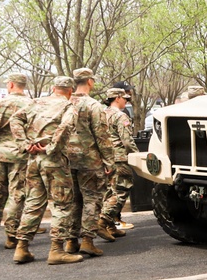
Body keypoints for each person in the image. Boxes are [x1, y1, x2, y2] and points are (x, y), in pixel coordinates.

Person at [10, 76, 80, 265]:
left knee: (33, 201)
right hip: (54, 160)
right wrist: (50, 147)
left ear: (52, 88)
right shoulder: (68, 106)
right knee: (61, 203)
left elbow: (15, 119)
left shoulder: (35, 103)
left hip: (33, 159)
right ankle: (57, 250)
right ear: (70, 91)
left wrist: (25, 144)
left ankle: (21, 247)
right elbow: (65, 126)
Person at [0, 73, 33, 249]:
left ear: (10, 85)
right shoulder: (30, 104)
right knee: (16, 194)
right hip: (20, 154)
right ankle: (11, 235)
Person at [67, 68, 116, 254]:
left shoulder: (65, 102)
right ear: (90, 82)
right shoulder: (93, 105)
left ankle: (71, 241)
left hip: (66, 159)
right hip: (89, 160)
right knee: (91, 199)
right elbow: (102, 136)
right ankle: (87, 240)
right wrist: (109, 162)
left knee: (72, 200)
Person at [99, 88, 138, 238]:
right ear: (117, 98)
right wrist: (136, 156)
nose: (126, 101)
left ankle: (110, 227)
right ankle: (103, 222)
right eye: (125, 99)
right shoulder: (120, 116)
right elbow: (127, 141)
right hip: (120, 158)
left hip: (105, 158)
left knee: (109, 191)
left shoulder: (102, 114)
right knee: (122, 190)